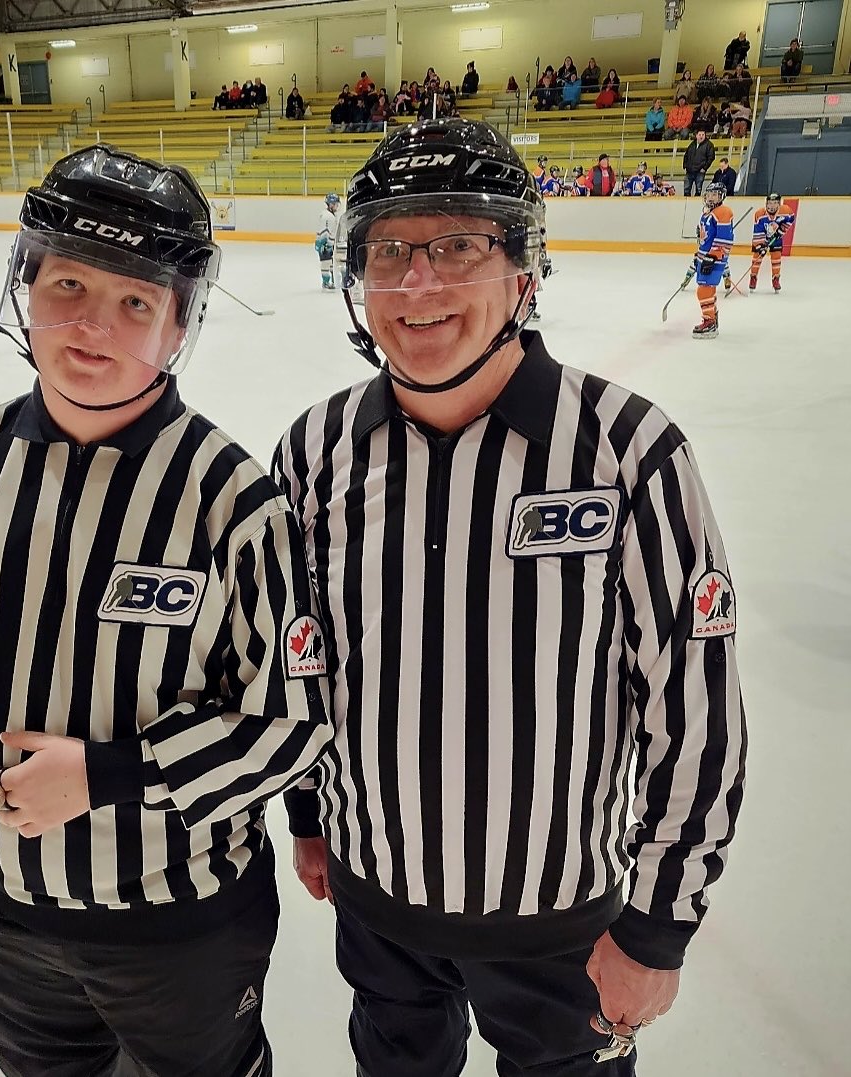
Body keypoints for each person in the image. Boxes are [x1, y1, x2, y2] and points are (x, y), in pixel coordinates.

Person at [274, 117, 747, 1077]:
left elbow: (692, 711)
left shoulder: (627, 449)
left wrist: (657, 927)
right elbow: (306, 660)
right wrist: (311, 816)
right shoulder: (311, 453)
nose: (420, 282)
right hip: (378, 906)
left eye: (459, 244)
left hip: (561, 921)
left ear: (522, 269)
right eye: (390, 249)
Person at [0, 144, 333, 1077]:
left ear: (177, 325)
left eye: (135, 301)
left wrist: (114, 775)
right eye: (69, 285)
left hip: (177, 929)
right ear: (25, 286)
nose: (92, 326)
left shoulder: (231, 499)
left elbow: (292, 724)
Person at [692, 180, 734, 337]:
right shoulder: (707, 213)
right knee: (706, 288)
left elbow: (725, 239)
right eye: (709, 194)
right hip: (706, 256)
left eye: (715, 195)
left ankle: (709, 322)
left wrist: (713, 256)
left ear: (721, 196)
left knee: (704, 289)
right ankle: (711, 319)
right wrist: (700, 254)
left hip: (714, 258)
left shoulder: (723, 211)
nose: (711, 197)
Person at [750, 192, 796, 292]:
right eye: (770, 203)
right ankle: (753, 277)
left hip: (776, 238)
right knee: (757, 257)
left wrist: (781, 231)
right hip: (762, 238)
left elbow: (791, 218)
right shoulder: (760, 214)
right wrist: (760, 245)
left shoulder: (785, 211)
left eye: (775, 203)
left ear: (779, 204)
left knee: (776, 258)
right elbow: (758, 231)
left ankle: (776, 279)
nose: (772, 205)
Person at [316, 191, 342, 288]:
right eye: (335, 204)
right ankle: (326, 282)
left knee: (330, 263)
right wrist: (325, 244)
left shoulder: (328, 215)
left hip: (328, 244)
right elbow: (325, 231)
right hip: (325, 244)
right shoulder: (328, 216)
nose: (337, 206)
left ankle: (332, 280)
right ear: (330, 204)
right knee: (326, 263)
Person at [683, 129, 715, 195]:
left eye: (703, 135)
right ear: (696, 135)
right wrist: (685, 165)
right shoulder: (692, 144)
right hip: (689, 170)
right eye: (700, 135)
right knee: (686, 189)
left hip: (700, 171)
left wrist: (704, 168)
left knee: (698, 190)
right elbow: (686, 155)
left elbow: (711, 157)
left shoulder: (709, 145)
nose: (701, 136)